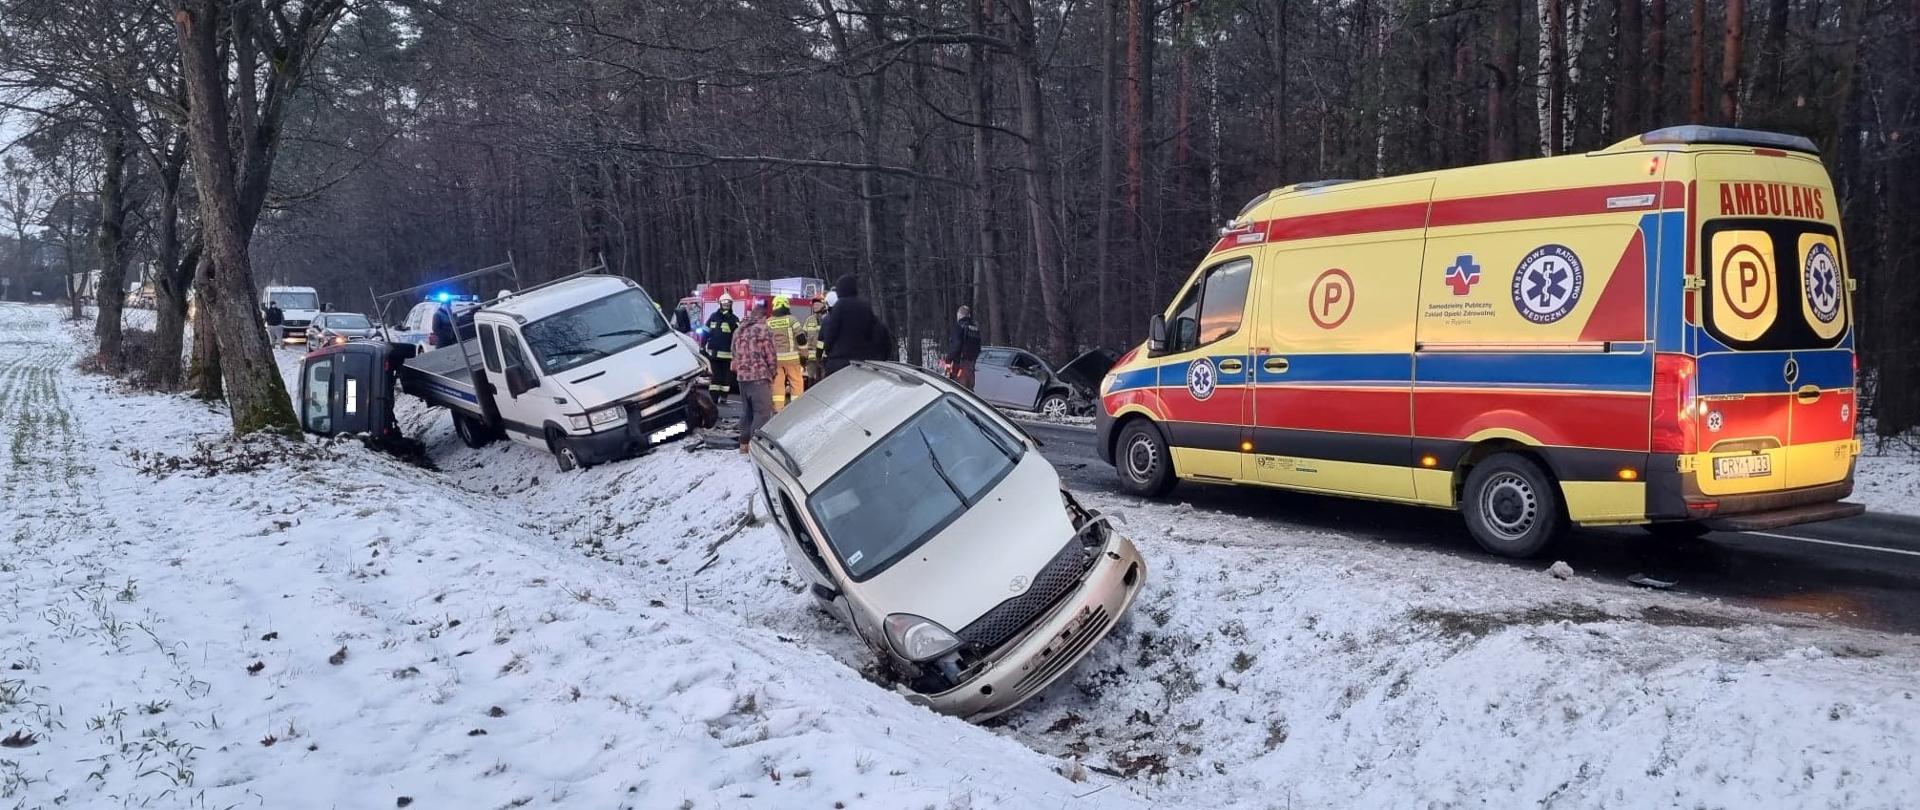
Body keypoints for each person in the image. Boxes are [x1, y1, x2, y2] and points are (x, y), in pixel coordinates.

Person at [818, 275, 890, 378]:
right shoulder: (865, 306)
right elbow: (876, 331)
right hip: (862, 361)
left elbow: (831, 333)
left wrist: (828, 352)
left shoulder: (839, 307)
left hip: (839, 361)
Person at [729, 300, 777, 454]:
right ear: (763, 316)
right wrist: (772, 372)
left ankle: (743, 443)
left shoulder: (739, 330)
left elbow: (734, 353)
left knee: (746, 411)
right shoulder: (762, 330)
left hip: (742, 378)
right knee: (761, 412)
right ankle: (755, 446)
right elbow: (770, 355)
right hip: (759, 377)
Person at [765, 296, 806, 411]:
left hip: (776, 360)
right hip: (792, 358)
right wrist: (804, 354)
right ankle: (796, 408)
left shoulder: (768, 322)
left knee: (777, 384)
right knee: (796, 382)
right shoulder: (792, 319)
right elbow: (801, 338)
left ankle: (778, 410)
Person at [704, 294, 740, 404]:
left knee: (725, 378)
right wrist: (702, 346)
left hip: (727, 355)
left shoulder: (733, 319)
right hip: (714, 353)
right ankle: (714, 398)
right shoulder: (713, 317)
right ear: (720, 304)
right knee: (716, 377)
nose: (726, 305)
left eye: (728, 303)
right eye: (724, 303)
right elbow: (705, 332)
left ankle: (723, 397)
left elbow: (738, 336)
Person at [943, 305, 982, 390]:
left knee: (959, 391)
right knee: (969, 391)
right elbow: (979, 348)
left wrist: (948, 360)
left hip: (959, 365)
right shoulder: (975, 328)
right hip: (971, 366)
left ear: (959, 315)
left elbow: (956, 345)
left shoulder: (959, 326)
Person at [802, 294, 828, 387]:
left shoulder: (828, 319)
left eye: (818, 303)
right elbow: (802, 337)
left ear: (824, 304)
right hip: (811, 359)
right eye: (814, 304)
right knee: (810, 382)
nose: (815, 306)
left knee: (823, 383)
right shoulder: (809, 320)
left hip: (824, 358)